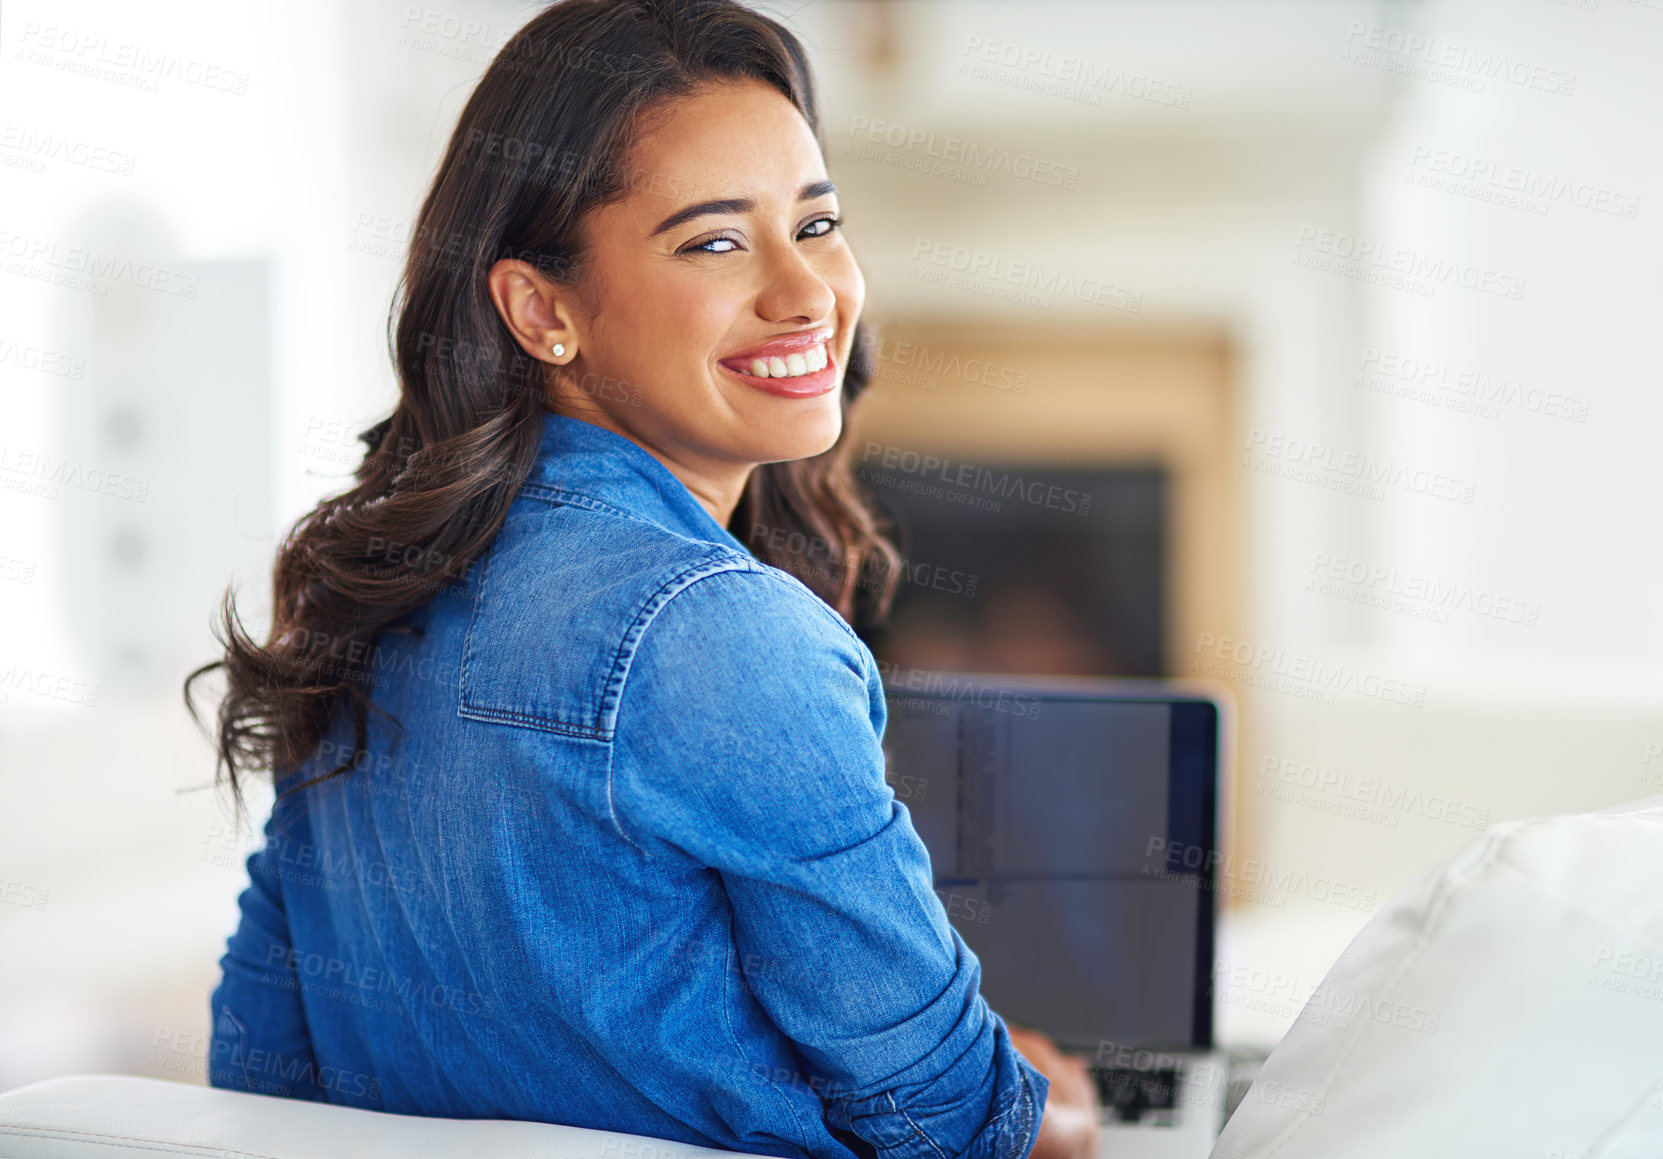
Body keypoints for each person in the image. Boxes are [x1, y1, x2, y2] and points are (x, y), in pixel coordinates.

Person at [186, 3, 1100, 1158]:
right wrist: (1052, 1115)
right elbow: (951, 1128)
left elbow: (257, 1064)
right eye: (714, 242)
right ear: (542, 309)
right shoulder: (721, 633)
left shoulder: (365, 593)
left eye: (817, 223)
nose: (806, 291)